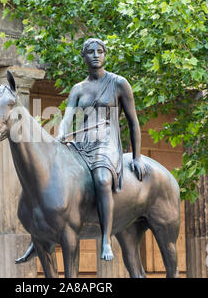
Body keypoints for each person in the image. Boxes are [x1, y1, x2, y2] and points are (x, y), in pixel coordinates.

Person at [56, 38, 146, 261]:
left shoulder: (118, 84)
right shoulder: (78, 89)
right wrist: (61, 132)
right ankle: (40, 235)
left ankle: (106, 238)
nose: (96, 55)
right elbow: (68, 117)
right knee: (53, 175)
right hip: (82, 143)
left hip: (107, 143)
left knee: (103, 178)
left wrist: (136, 156)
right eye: (90, 52)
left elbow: (133, 122)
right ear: (83, 57)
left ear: (105, 55)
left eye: (100, 51)